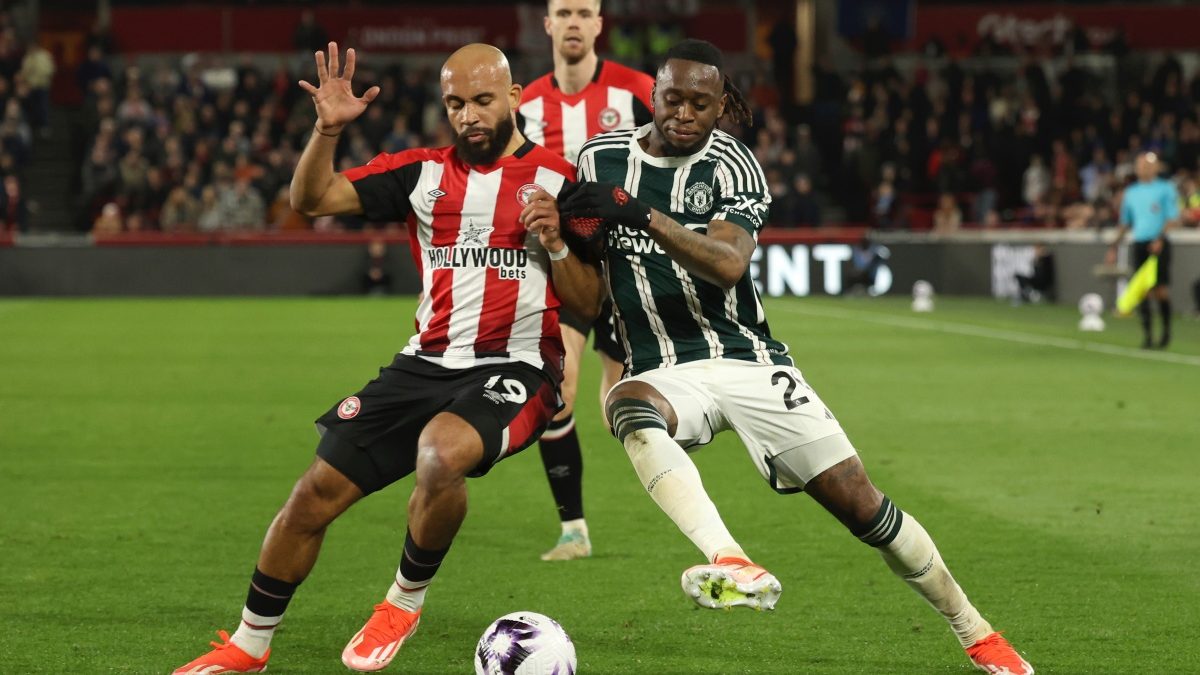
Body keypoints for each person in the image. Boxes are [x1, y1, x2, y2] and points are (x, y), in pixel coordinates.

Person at [543, 39, 1033, 674]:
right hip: (660, 367)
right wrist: (560, 247)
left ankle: (976, 631)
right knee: (626, 408)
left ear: (723, 106)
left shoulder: (734, 166)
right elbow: (587, 298)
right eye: (673, 99)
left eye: (701, 103)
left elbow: (726, 264)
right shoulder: (599, 159)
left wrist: (638, 212)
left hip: (748, 360)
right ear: (653, 95)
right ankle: (728, 558)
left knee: (863, 506)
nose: (685, 114)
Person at [172, 42, 575, 674]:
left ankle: (403, 601)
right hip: (422, 363)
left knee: (442, 454)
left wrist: (557, 245)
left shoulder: (559, 181)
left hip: (517, 367)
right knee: (313, 494)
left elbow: (593, 297)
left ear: (516, 96)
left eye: (482, 100)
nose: (468, 115)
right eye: (455, 103)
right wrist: (327, 130)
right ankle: (248, 646)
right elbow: (312, 200)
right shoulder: (420, 174)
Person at [518, 0, 654, 561]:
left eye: (584, 11)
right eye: (563, 11)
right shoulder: (522, 103)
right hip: (562, 265)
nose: (574, 22)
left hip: (625, 266)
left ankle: (686, 511)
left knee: (626, 406)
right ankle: (573, 529)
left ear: (600, 24)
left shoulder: (637, 90)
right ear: (547, 24)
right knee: (558, 392)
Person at [1106, 152, 1180, 349]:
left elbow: (1173, 218)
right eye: (1140, 165)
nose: (1144, 168)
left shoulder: (1166, 189)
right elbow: (1125, 222)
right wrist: (1114, 245)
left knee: (1160, 290)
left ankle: (1165, 333)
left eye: (1148, 165)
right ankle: (1147, 336)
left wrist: (1160, 238)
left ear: (1156, 168)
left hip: (1159, 245)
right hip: (1140, 244)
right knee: (1142, 291)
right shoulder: (1131, 192)